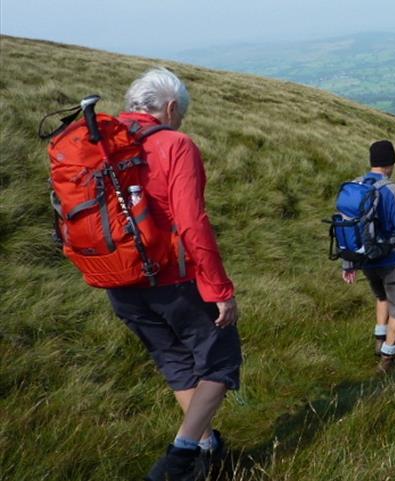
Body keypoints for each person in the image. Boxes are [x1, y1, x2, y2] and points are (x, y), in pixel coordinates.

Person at [104, 68, 241, 481]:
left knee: (175, 361)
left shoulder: (99, 144)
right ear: (168, 108)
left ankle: (206, 449)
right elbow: (192, 222)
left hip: (118, 281)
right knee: (221, 362)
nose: (181, 119)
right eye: (181, 111)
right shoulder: (175, 144)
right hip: (170, 280)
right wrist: (220, 289)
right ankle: (179, 459)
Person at [341, 140, 395, 373]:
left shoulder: (355, 186)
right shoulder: (394, 190)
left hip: (366, 261)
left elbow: (347, 227)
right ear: (391, 162)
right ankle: (387, 362)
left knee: (381, 298)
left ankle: (379, 341)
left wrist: (349, 263)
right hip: (392, 261)